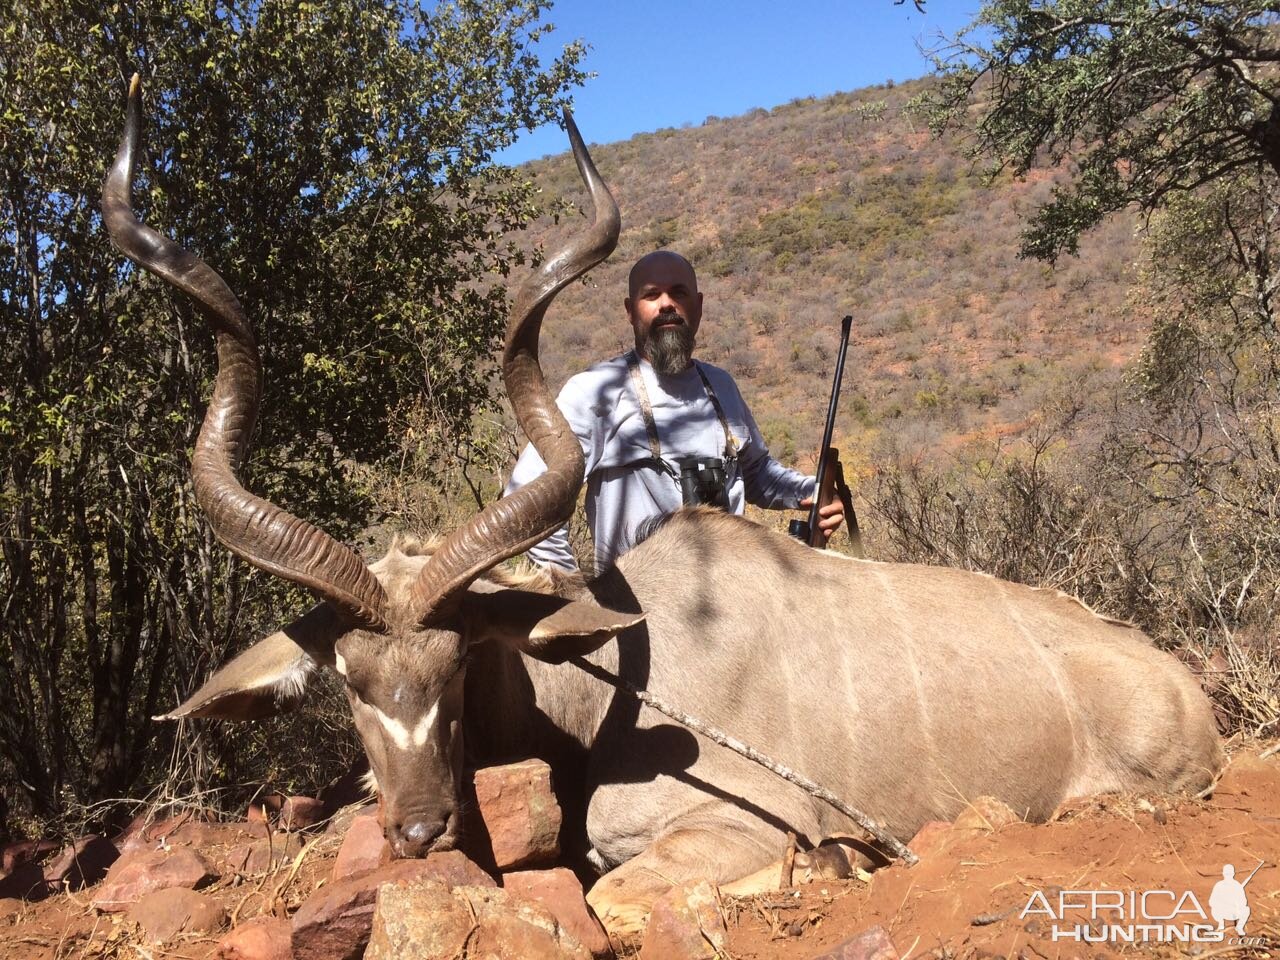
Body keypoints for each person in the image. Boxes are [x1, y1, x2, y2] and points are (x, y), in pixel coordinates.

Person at [504, 250, 844, 571]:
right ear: (630, 310)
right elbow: (527, 499)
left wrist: (809, 492)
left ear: (697, 306)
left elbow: (758, 474)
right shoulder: (596, 390)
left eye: (678, 293)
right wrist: (575, 597)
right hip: (640, 613)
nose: (667, 304)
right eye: (651, 295)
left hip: (736, 602)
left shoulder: (721, 385)